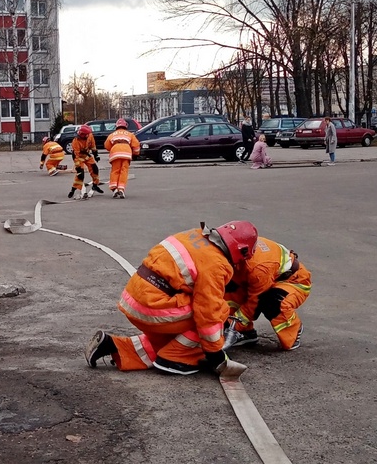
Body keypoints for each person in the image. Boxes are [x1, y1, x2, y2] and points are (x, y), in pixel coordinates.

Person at [84, 221, 258, 375]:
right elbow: (208, 314)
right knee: (217, 312)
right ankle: (175, 360)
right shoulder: (217, 264)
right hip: (153, 306)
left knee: (171, 341)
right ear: (241, 250)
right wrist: (216, 355)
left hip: (134, 297)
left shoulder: (194, 235)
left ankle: (112, 346)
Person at [222, 237, 312, 352]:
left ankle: (293, 332)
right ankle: (244, 333)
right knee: (229, 289)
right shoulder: (237, 246)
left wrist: (232, 324)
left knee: (274, 301)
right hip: (261, 277)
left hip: (293, 281)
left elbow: (255, 302)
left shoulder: (258, 268)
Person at [104, 118, 140, 198]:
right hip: (126, 152)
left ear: (116, 126)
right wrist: (135, 153)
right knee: (124, 171)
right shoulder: (130, 134)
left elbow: (107, 146)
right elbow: (136, 145)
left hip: (115, 152)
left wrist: (114, 148)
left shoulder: (112, 134)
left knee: (115, 171)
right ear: (125, 126)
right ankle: (121, 189)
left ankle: (114, 188)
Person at [67, 124, 103, 200]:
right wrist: (78, 168)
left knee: (95, 169)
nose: (88, 135)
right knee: (80, 175)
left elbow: (93, 146)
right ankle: (73, 189)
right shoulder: (75, 141)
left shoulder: (90, 135)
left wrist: (96, 154)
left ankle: (95, 185)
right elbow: (76, 155)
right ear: (82, 135)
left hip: (86, 154)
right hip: (79, 156)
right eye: (86, 134)